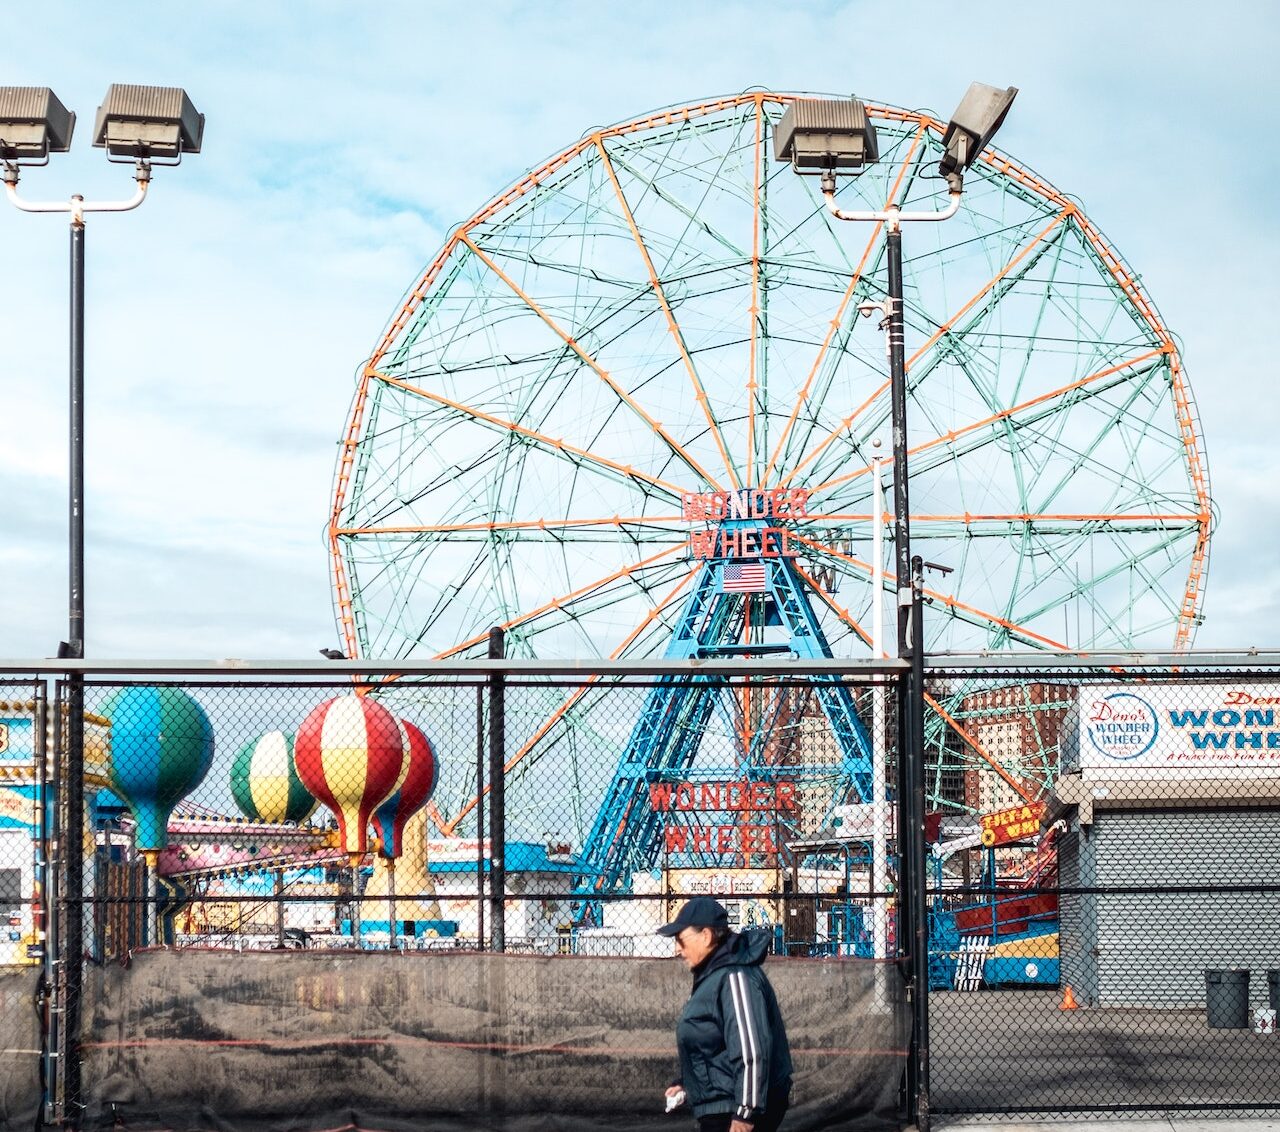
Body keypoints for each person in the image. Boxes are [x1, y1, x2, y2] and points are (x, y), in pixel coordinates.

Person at [659, 896, 792, 1132]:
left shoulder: (734, 977)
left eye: (681, 939)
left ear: (707, 936)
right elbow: (712, 1046)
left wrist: (745, 1113)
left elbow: (750, 1049)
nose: (678, 948)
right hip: (719, 1108)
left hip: (732, 1112)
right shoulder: (714, 976)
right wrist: (686, 1084)